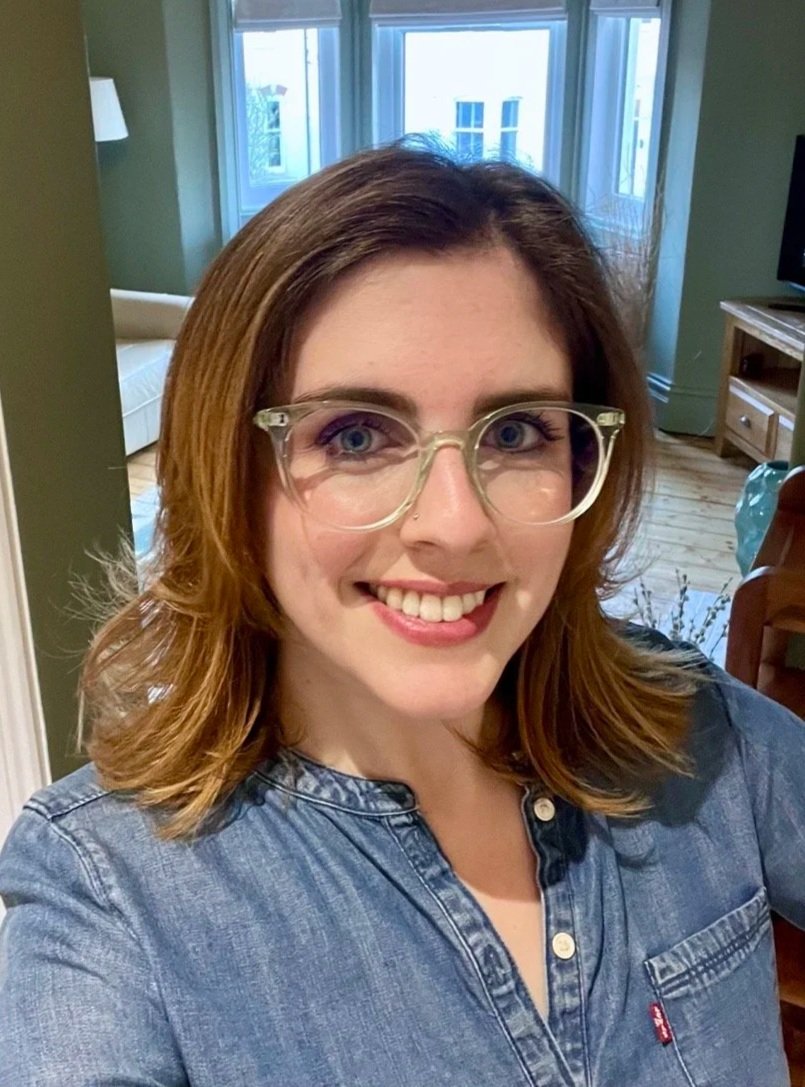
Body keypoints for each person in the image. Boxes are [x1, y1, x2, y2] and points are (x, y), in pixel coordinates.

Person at [0, 143, 803, 1087]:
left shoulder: (698, 733)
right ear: (230, 474)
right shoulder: (107, 896)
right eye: (354, 435)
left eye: (514, 433)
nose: (455, 525)